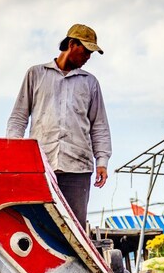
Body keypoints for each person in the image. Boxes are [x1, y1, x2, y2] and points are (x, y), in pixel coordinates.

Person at [6, 24, 111, 227]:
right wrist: (14, 152)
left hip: (77, 167)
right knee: (36, 224)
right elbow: (19, 117)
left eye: (91, 53)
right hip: (40, 165)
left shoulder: (90, 83)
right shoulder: (36, 74)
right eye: (86, 50)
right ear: (72, 44)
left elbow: (99, 125)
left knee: (74, 229)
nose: (88, 56)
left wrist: (103, 161)